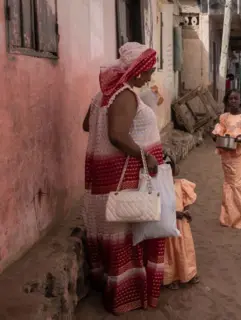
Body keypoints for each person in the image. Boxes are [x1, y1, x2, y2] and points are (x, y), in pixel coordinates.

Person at [82, 42, 165, 314]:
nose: (151, 76)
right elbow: (117, 135)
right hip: (122, 179)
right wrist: (146, 156)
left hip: (103, 182)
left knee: (112, 238)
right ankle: (123, 299)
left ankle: (107, 289)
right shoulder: (126, 94)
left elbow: (87, 125)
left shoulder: (103, 95)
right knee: (124, 239)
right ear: (138, 70)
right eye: (149, 70)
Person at [212, 89, 241, 229]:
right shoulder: (224, 117)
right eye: (231, 99)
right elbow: (218, 131)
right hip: (226, 154)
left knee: (237, 184)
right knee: (228, 184)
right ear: (227, 101)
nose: (233, 101)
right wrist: (215, 135)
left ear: (240, 100)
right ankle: (229, 217)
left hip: (238, 155)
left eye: (236, 98)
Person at [162, 154, 200, 290]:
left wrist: (185, 212)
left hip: (181, 225)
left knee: (185, 249)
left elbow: (186, 203)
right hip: (168, 225)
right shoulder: (159, 189)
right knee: (170, 252)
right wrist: (174, 214)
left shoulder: (181, 184)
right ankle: (172, 277)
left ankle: (189, 273)